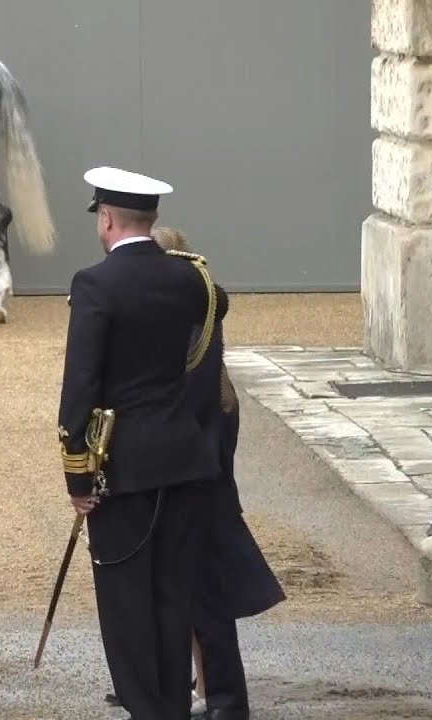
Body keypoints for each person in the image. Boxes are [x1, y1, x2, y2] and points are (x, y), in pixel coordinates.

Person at [56, 166, 219, 720]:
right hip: (184, 457)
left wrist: (77, 476)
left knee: (127, 605)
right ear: (152, 219)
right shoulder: (190, 278)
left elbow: (80, 387)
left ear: (105, 218)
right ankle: (172, 708)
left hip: (122, 467)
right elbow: (217, 306)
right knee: (174, 599)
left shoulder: (95, 284)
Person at [153, 226, 286, 720]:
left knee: (199, 599)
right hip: (204, 478)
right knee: (194, 598)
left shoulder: (186, 322)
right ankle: (201, 690)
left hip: (196, 484)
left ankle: (212, 696)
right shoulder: (201, 311)